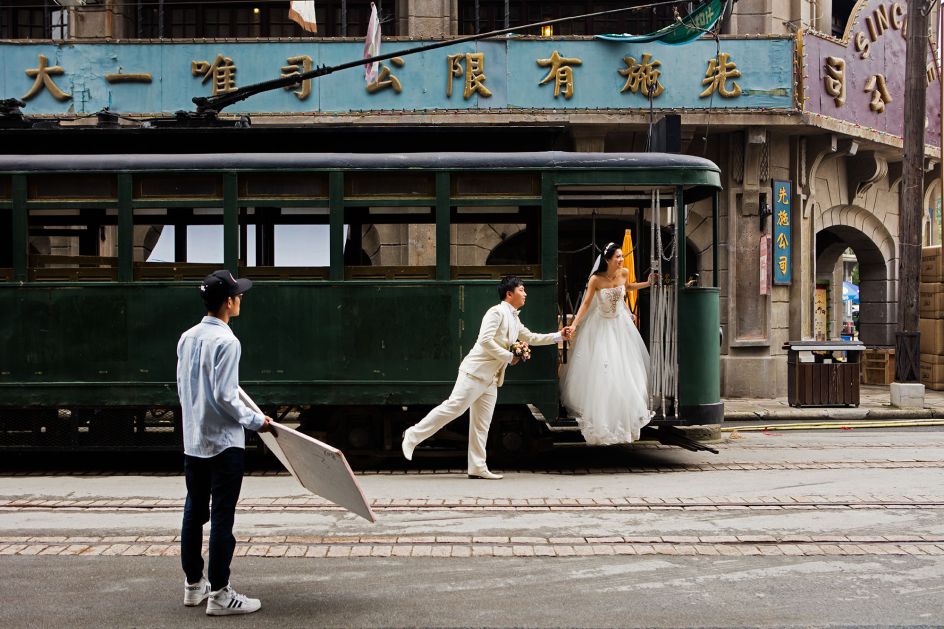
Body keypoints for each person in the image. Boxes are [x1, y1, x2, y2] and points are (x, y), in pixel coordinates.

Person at [401, 275, 571, 479]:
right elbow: (485, 341)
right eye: (522, 290)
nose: (525, 293)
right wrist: (509, 356)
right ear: (509, 294)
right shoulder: (496, 312)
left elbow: (531, 337)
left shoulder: (514, 318)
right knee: (452, 408)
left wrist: (559, 336)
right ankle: (412, 435)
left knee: (482, 423)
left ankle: (477, 466)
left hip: (491, 379)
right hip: (474, 373)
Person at [177, 270, 272, 616]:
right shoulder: (229, 342)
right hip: (224, 444)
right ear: (228, 302)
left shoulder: (186, 338)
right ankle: (219, 593)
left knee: (194, 511)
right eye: (238, 295)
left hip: (194, 442)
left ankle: (193, 585)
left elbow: (187, 389)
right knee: (221, 519)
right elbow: (226, 396)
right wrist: (256, 421)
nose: (240, 299)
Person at [561, 242, 654, 445]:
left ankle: (626, 411)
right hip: (601, 324)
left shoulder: (624, 272)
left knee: (627, 369)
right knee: (603, 371)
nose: (621, 260)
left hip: (620, 324)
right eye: (618, 257)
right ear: (607, 259)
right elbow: (586, 303)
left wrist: (646, 284)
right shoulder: (596, 279)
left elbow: (627, 288)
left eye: (622, 256)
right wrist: (574, 325)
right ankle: (603, 415)